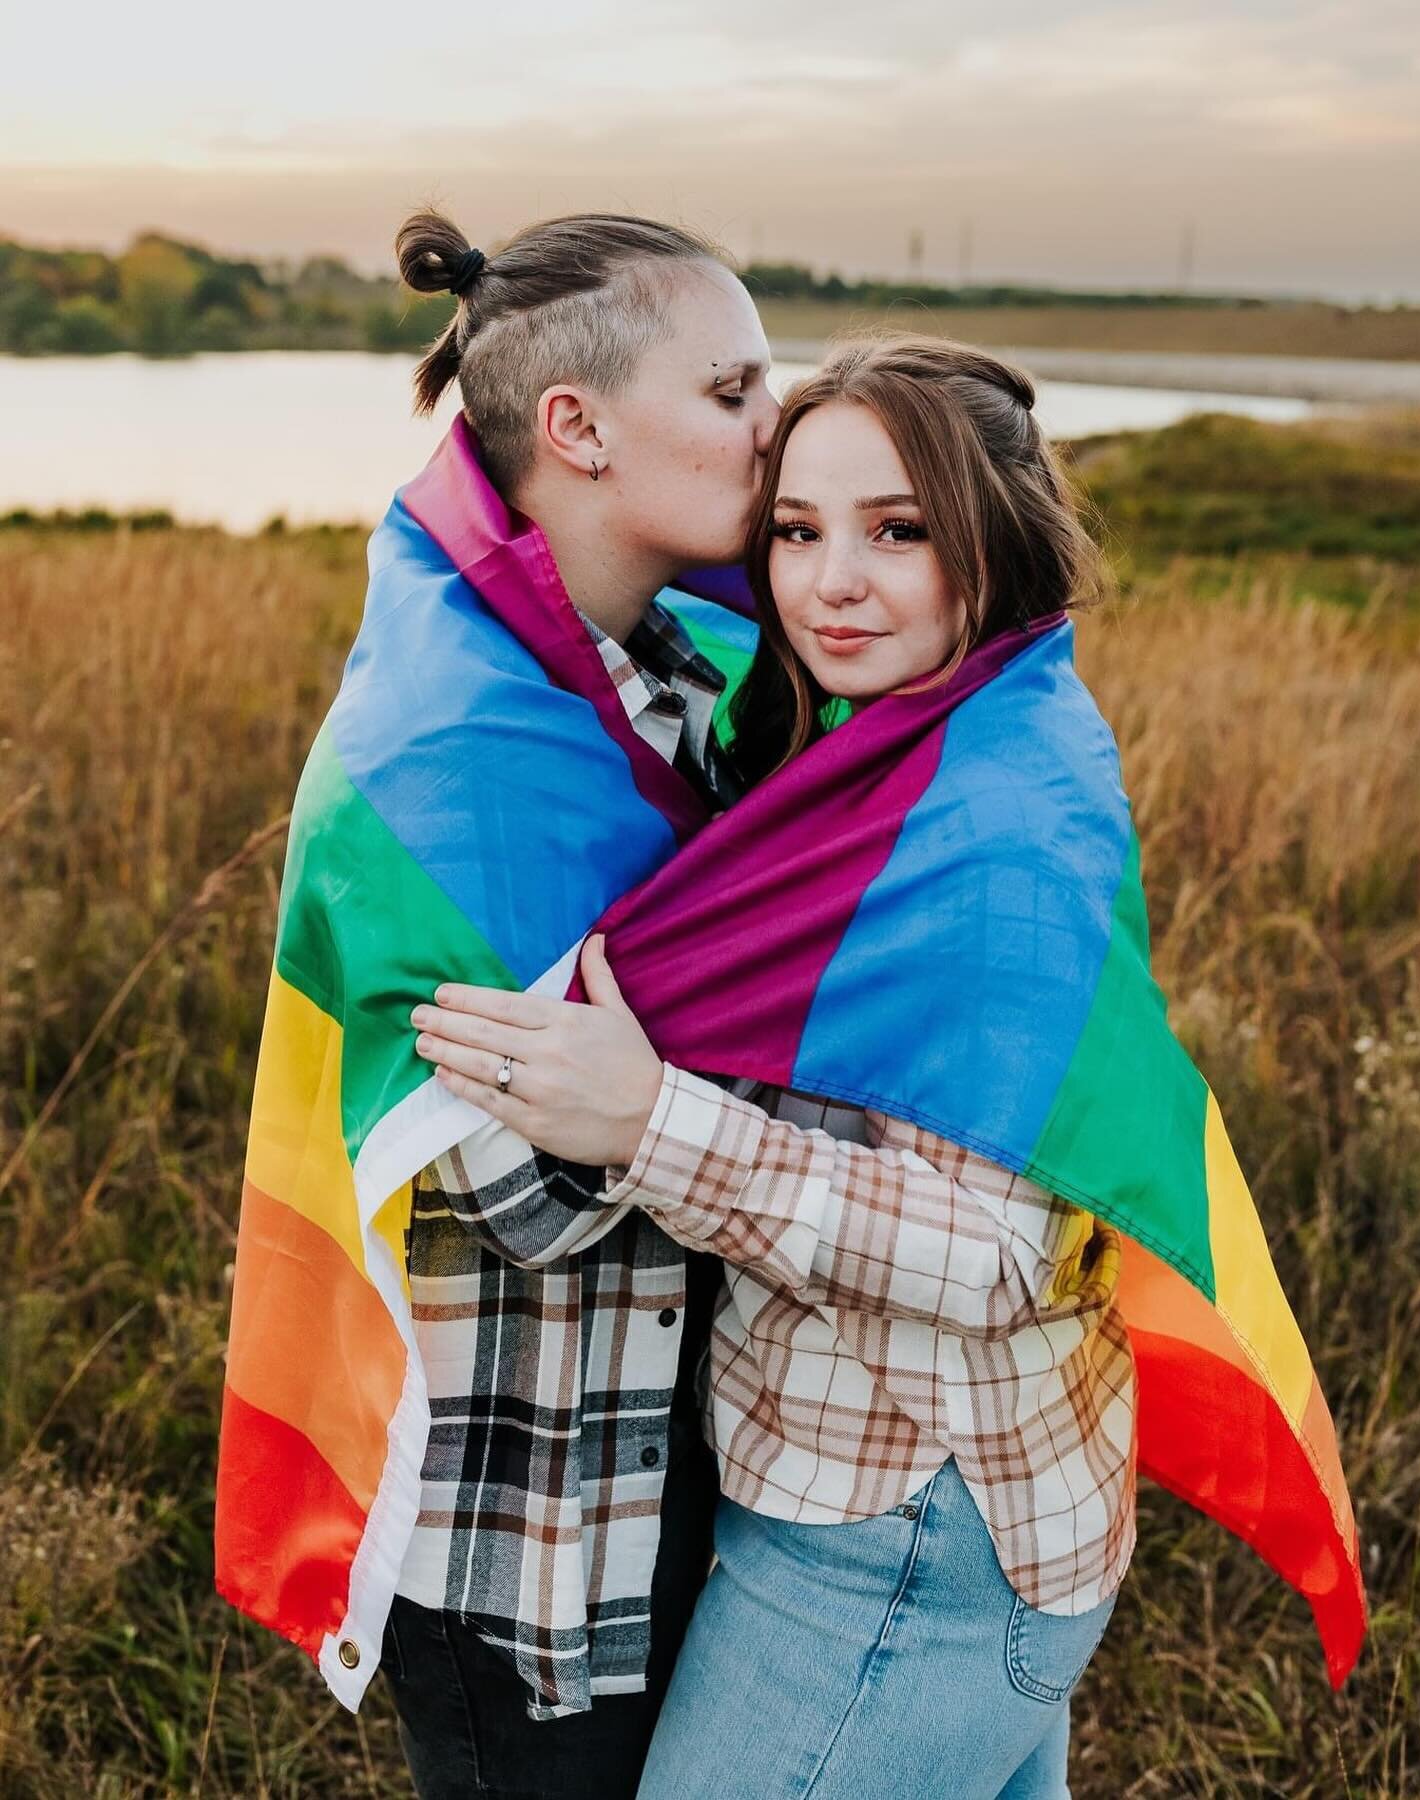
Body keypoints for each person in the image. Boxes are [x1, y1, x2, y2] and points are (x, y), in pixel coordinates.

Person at [412, 338, 1137, 1798]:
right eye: (796, 533)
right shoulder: (911, 747)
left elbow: (1009, 1251)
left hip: (900, 1535)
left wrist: (649, 1121)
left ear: (992, 535)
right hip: (943, 1497)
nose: (830, 586)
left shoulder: (993, 834)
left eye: (899, 531)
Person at [215, 207, 777, 1800]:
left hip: (667, 1466)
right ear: (577, 427)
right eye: (732, 391)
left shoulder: (673, 670)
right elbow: (517, 1183)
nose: (773, 427)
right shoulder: (450, 748)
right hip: (527, 1547)